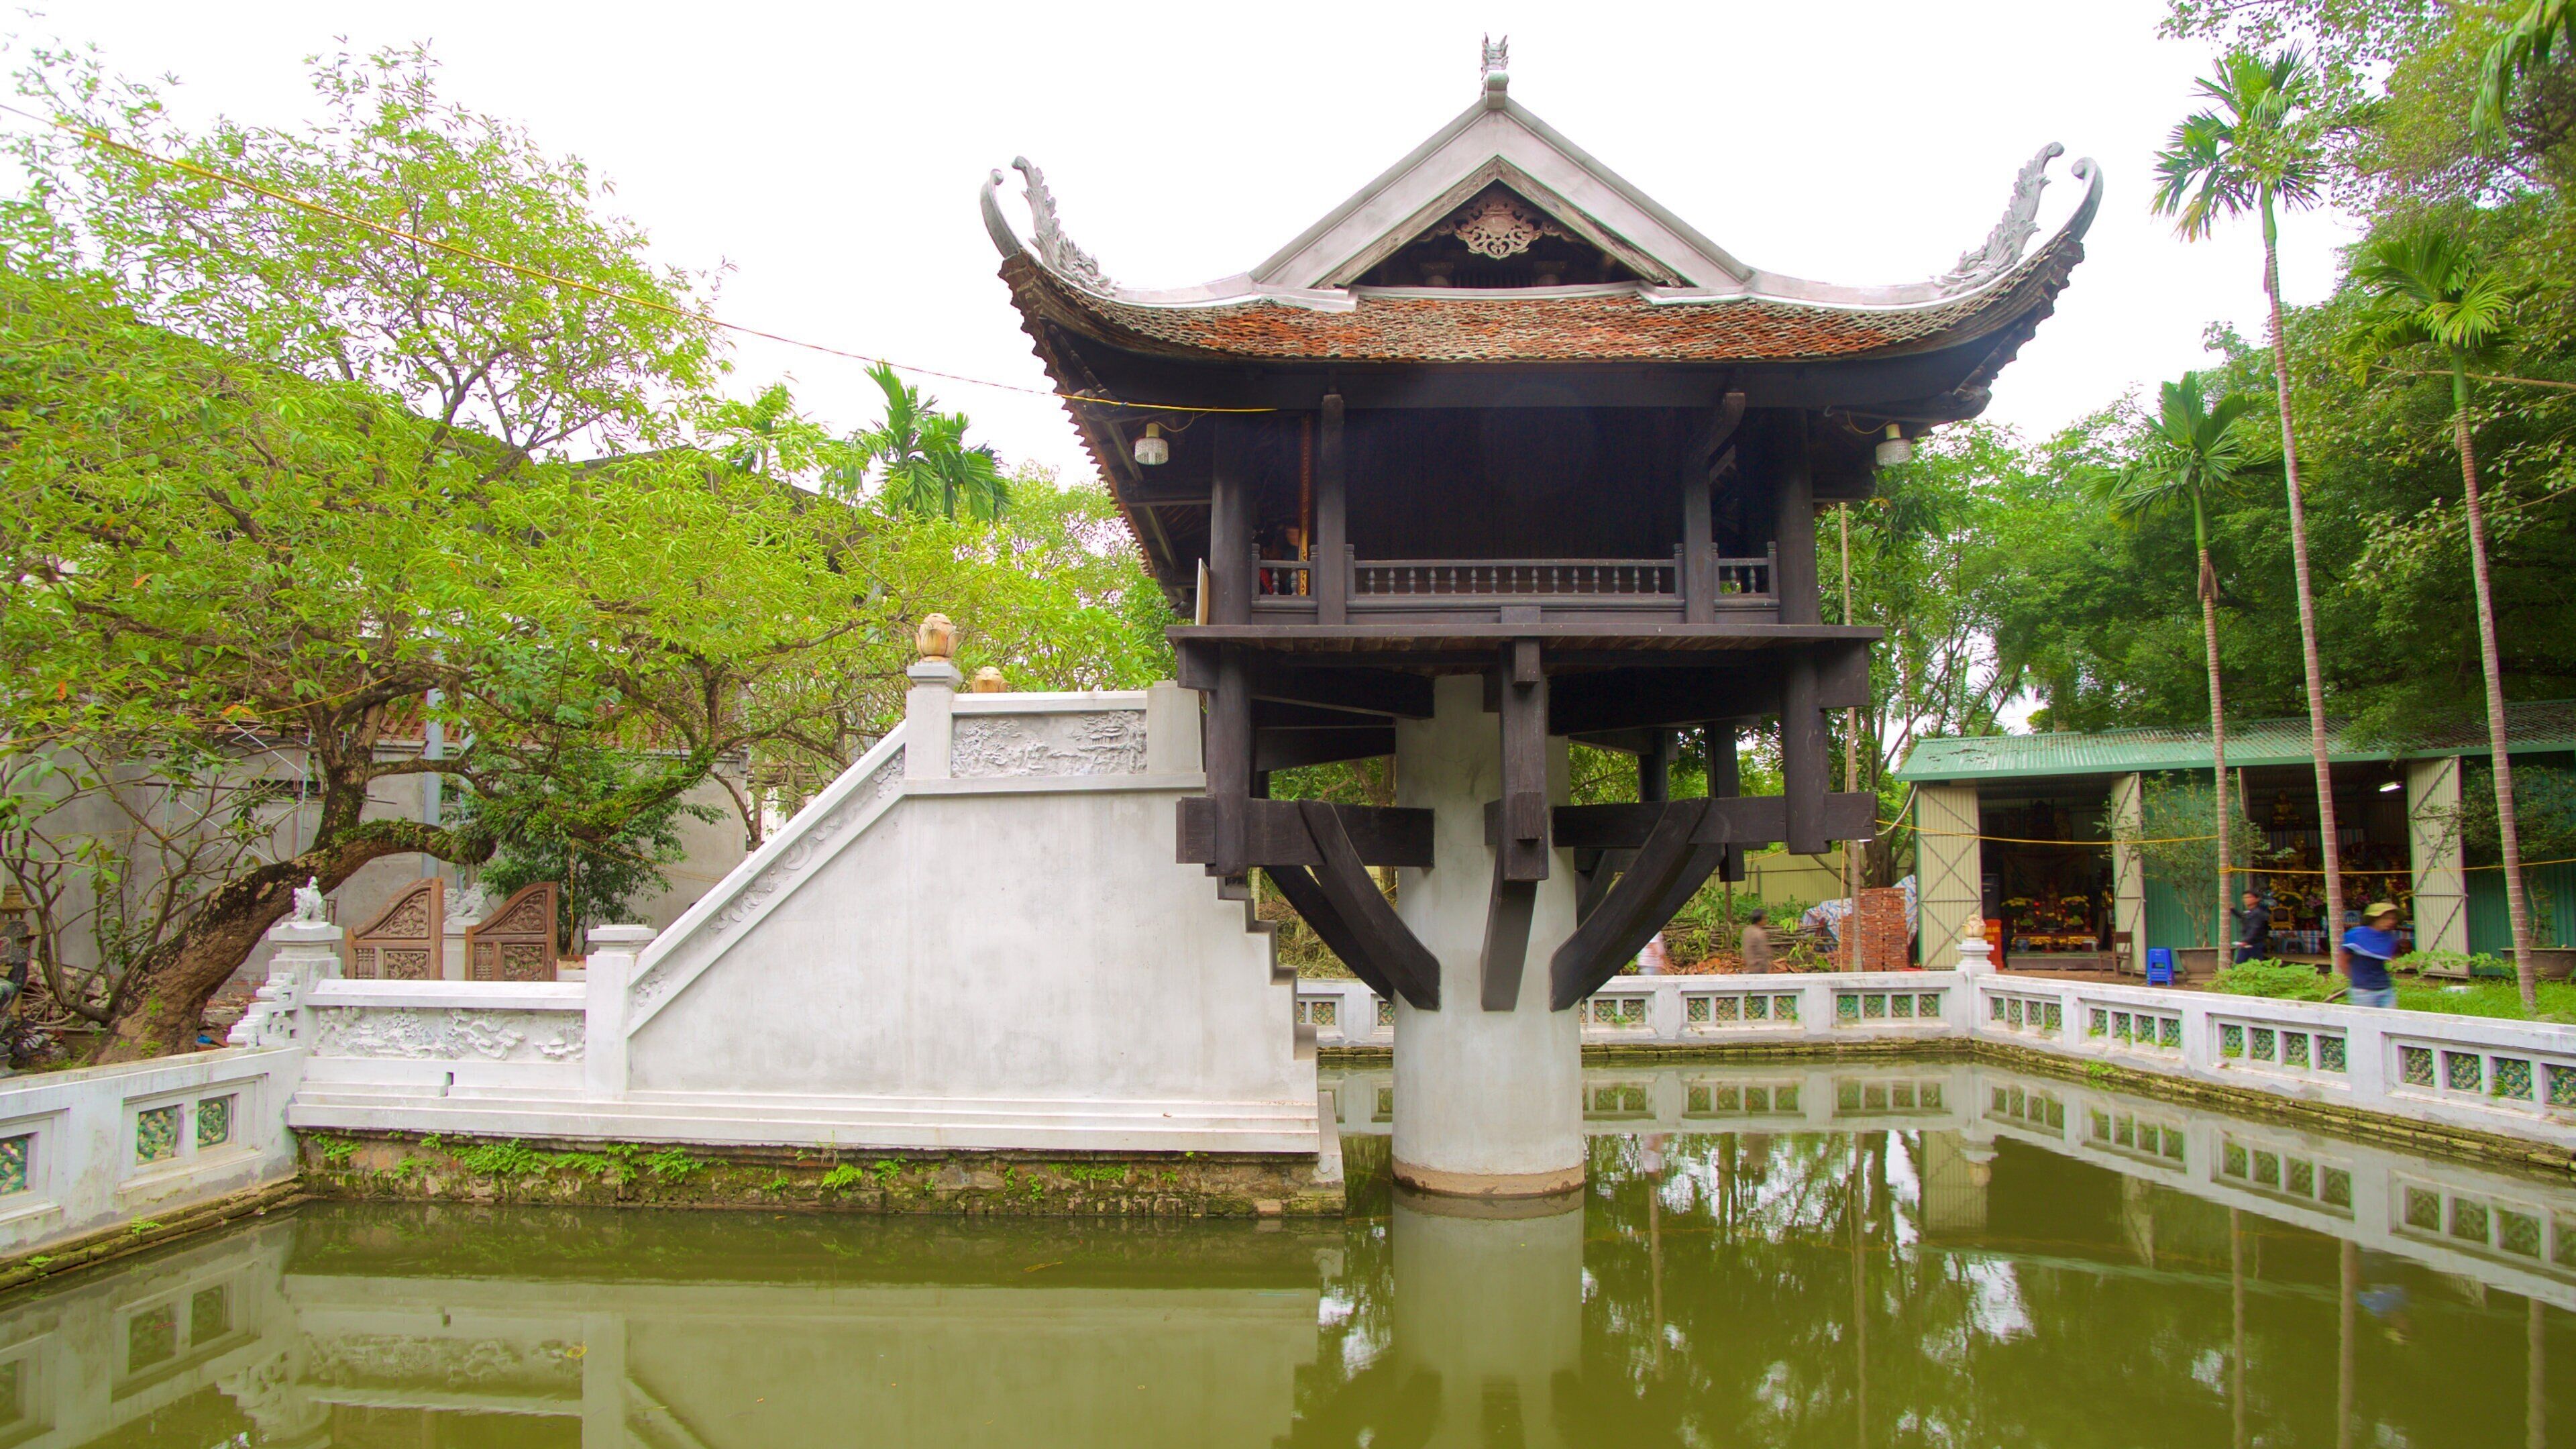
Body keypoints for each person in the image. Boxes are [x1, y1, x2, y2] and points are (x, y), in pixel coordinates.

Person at [2339, 901, 2404, 1009]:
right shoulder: (2356, 935)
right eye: (2387, 918)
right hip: (2364, 991)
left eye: (2393, 918)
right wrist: (2356, 981)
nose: (2391, 921)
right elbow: (2343, 961)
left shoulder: (2389, 937)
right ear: (2375, 919)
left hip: (2386, 988)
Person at [2231, 889, 2273, 965]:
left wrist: (2246, 941)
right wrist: (2233, 910)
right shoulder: (2251, 912)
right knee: (2243, 964)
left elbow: (2255, 928)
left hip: (2255, 944)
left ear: (2257, 899)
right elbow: (2244, 917)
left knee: (2248, 965)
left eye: (2249, 897)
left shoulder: (2258, 913)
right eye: (2244, 898)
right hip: (2250, 944)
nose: (2246, 900)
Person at [1737, 909, 1774, 975]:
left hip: (1750, 966)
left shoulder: (1747, 931)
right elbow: (1763, 951)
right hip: (1759, 968)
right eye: (1764, 919)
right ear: (1759, 920)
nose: (1766, 921)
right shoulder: (1759, 933)